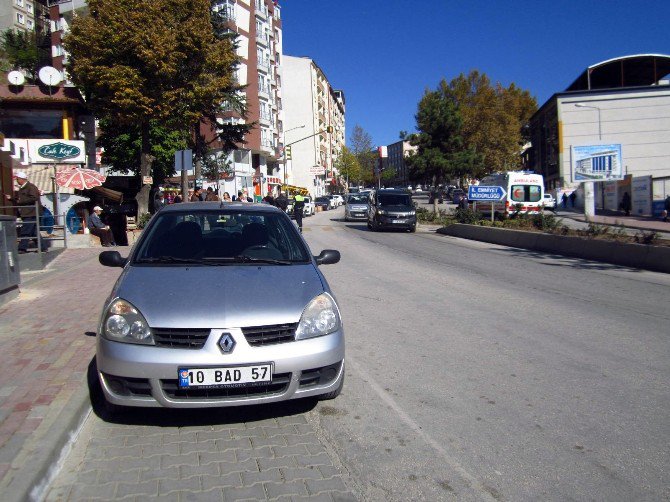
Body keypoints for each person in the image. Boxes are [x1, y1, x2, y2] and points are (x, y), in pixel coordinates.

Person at [5, 171, 47, 253]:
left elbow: (33, 198)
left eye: (17, 179)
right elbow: (19, 200)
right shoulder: (23, 188)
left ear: (22, 179)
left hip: (31, 212)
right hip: (27, 213)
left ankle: (22, 248)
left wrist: (21, 201)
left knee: (26, 231)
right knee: (34, 232)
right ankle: (43, 247)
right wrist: (11, 199)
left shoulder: (30, 187)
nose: (17, 180)